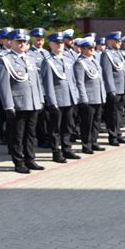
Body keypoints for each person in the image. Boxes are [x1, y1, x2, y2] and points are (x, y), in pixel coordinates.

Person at [0, 29, 45, 173]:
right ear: (11, 42)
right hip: (18, 104)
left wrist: (40, 99)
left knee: (31, 134)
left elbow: (36, 81)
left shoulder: (30, 58)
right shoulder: (5, 60)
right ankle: (19, 162)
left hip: (33, 102)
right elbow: (2, 85)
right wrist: (8, 105)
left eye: (24, 41)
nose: (22, 44)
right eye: (19, 41)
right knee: (17, 135)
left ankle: (30, 159)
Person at [41, 32, 81, 162]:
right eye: (56, 43)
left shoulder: (67, 59)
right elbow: (48, 84)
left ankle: (67, 149)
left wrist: (75, 96)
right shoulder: (48, 62)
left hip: (69, 99)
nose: (59, 45)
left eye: (61, 43)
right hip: (57, 100)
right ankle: (56, 152)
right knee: (55, 129)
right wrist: (52, 102)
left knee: (68, 126)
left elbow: (72, 80)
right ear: (50, 44)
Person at [73, 36, 106, 154]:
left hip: (97, 97)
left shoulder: (94, 61)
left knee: (96, 121)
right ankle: (86, 144)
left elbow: (100, 80)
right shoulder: (80, 63)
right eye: (88, 48)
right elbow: (79, 82)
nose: (92, 49)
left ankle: (94, 142)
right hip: (88, 98)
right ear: (82, 49)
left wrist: (103, 95)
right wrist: (83, 98)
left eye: (92, 47)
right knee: (87, 123)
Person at [100, 31, 125, 146]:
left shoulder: (119, 54)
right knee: (112, 114)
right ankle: (112, 137)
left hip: (121, 88)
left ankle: (118, 134)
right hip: (114, 89)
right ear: (110, 41)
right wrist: (111, 89)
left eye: (120, 41)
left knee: (119, 113)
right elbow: (107, 74)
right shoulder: (106, 54)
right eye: (117, 41)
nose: (119, 43)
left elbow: (123, 72)